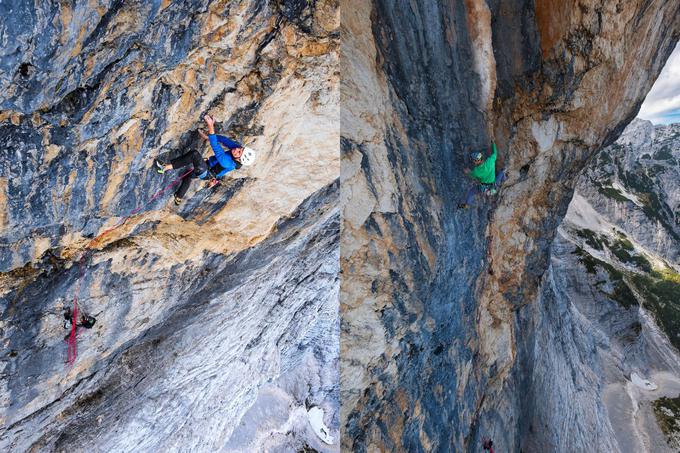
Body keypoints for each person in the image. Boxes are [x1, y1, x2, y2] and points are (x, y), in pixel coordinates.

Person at [154, 115, 255, 204]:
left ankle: (164, 167)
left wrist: (211, 126)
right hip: (208, 167)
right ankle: (179, 197)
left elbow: (215, 146)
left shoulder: (228, 162)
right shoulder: (236, 150)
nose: (236, 149)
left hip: (206, 172)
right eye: (240, 149)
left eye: (239, 152)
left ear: (239, 160)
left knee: (194, 154)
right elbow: (224, 140)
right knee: (188, 176)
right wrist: (208, 137)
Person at [458, 142, 506, 209]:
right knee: (502, 172)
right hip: (493, 186)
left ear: (476, 161)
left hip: (483, 189)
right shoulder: (490, 161)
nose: (473, 162)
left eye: (473, 160)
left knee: (472, 192)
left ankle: (467, 204)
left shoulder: (476, 171)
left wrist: (468, 172)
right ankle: (504, 180)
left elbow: (473, 176)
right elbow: (495, 153)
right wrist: (493, 143)